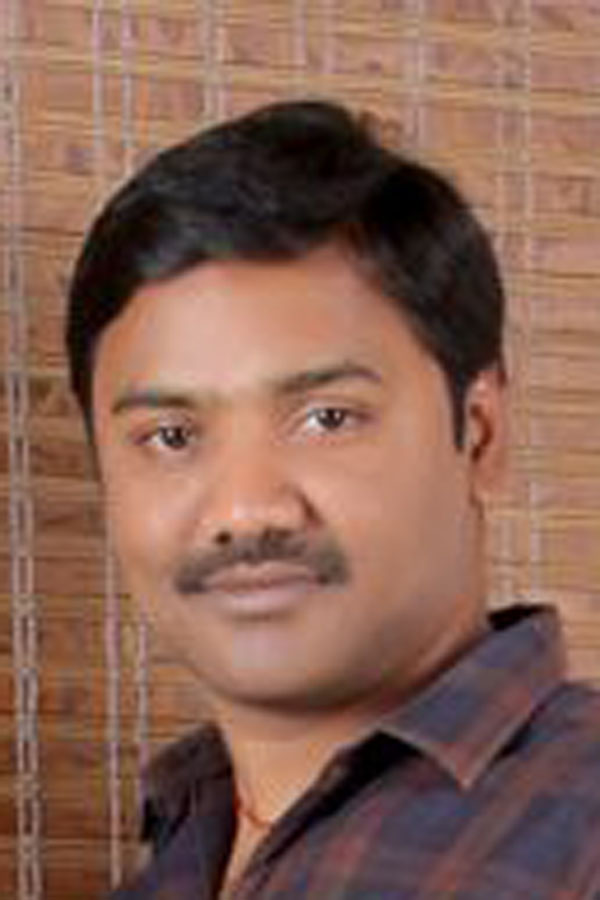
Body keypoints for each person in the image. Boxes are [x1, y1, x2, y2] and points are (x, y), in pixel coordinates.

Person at [66, 100, 600, 900]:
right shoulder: (180, 854)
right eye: (171, 436)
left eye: (327, 419)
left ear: (480, 435)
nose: (246, 510)